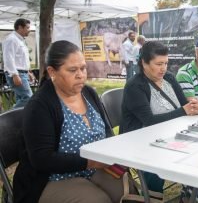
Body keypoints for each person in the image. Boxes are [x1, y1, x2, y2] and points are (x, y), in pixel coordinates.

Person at [13, 40, 123, 203]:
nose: (80, 75)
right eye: (72, 70)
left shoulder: (88, 92)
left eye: (83, 68)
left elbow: (107, 130)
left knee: (126, 192)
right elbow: (42, 159)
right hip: (50, 179)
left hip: (92, 169)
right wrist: (90, 162)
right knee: (99, 200)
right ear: (52, 72)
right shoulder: (40, 106)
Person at [120, 41, 198, 194]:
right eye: (159, 64)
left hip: (169, 134)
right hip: (141, 140)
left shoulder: (169, 78)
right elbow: (149, 121)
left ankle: (190, 189)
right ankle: (153, 196)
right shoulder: (135, 86)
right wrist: (184, 110)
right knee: (156, 161)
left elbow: (184, 105)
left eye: (166, 63)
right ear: (144, 63)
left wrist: (194, 106)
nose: (163, 68)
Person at [2, 18, 34, 108]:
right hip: (17, 74)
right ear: (20, 27)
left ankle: (16, 121)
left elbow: (20, 60)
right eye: (27, 28)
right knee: (28, 98)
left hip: (22, 73)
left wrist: (28, 72)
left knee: (21, 100)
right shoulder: (11, 39)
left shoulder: (20, 40)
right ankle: (7, 119)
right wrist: (15, 75)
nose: (29, 30)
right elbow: (8, 58)